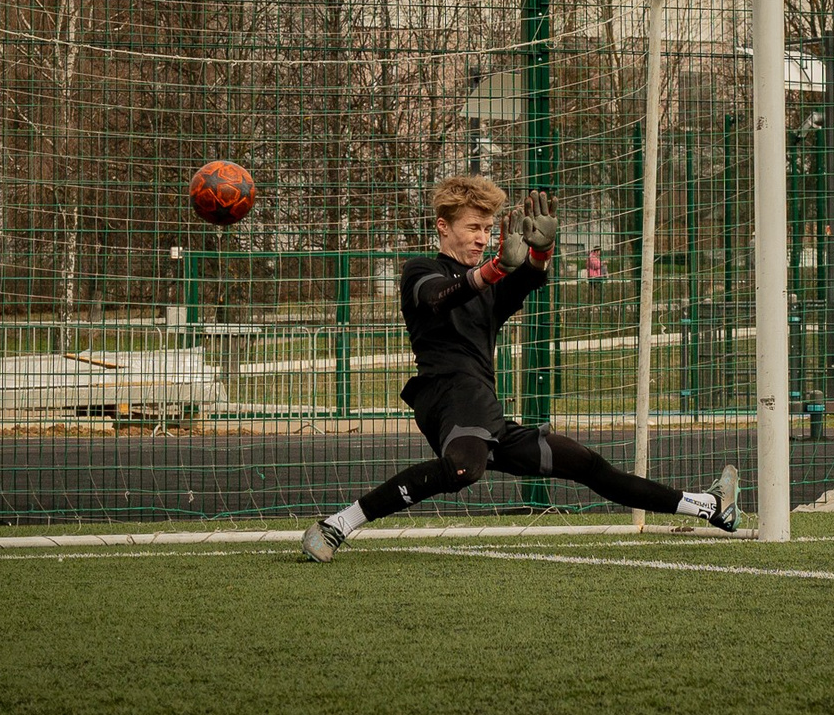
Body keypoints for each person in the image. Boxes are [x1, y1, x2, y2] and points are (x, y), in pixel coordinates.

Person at [302, 176, 739, 559]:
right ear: (443, 227)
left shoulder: (491, 286)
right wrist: (494, 269)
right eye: (473, 227)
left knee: (587, 465)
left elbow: (526, 278)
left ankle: (709, 506)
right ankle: (338, 525)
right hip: (448, 394)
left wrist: (544, 249)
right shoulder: (421, 269)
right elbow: (441, 295)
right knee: (462, 469)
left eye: (488, 229)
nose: (481, 236)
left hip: (482, 408)